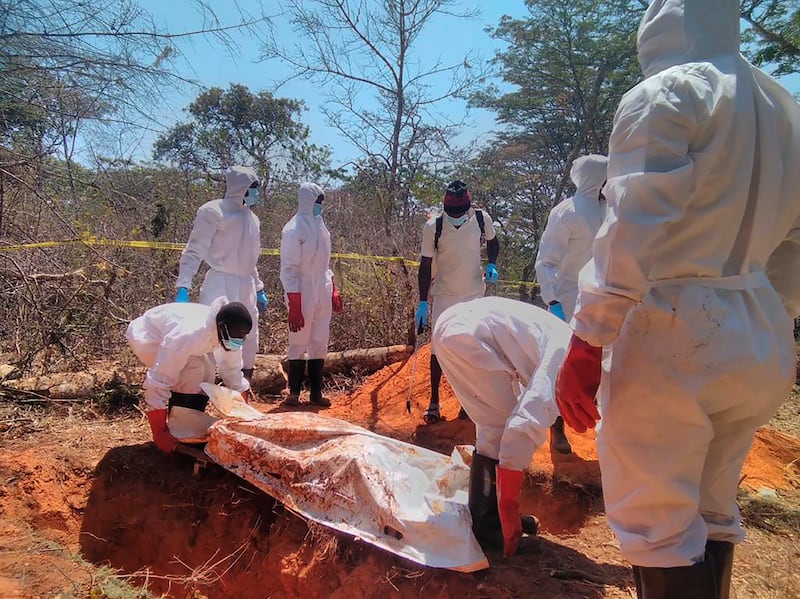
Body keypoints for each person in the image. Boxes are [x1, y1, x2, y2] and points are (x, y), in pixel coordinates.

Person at [555, 0, 800, 596]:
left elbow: (634, 225)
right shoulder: (784, 107)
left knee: (658, 525)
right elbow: (794, 246)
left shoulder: (666, 94)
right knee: (713, 509)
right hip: (759, 331)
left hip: (670, 335)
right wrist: (777, 319)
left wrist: (588, 339)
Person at [432, 296, 570, 558]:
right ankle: (490, 531)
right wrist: (509, 491)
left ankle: (488, 517)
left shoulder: (569, 345)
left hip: (456, 326)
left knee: (493, 424)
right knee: (499, 425)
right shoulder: (564, 363)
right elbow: (525, 423)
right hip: (467, 335)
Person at [534, 154, 608, 455]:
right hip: (567, 298)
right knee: (561, 364)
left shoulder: (611, 211)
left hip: (602, 299)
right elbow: (546, 261)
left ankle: (603, 430)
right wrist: (552, 299)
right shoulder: (566, 212)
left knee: (604, 364)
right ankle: (556, 429)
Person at [415, 180, 499, 424]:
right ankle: (434, 402)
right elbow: (426, 263)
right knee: (439, 347)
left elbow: (493, 242)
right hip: (445, 294)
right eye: (451, 212)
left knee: (472, 346)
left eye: (459, 212)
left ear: (467, 206)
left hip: (473, 292)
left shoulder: (482, 220)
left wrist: (492, 263)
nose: (455, 216)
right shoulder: (435, 225)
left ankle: (467, 403)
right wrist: (422, 302)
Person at [174, 165, 268, 383]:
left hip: (247, 286)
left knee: (248, 339)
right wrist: (183, 286)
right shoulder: (212, 211)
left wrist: (259, 287)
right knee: (212, 338)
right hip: (220, 284)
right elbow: (194, 250)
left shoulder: (253, 219)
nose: (255, 193)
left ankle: (240, 400)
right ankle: (200, 398)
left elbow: (248, 259)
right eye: (252, 188)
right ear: (241, 187)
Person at [126, 297, 254, 454]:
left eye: (243, 336)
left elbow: (233, 371)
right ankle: (178, 432)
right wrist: (159, 432)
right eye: (237, 335)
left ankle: (190, 428)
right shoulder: (186, 335)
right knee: (191, 372)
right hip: (149, 338)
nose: (240, 340)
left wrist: (245, 415)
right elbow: (158, 381)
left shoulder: (229, 332)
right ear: (221, 327)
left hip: (177, 338)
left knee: (207, 369)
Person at [279, 182, 343, 407]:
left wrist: (333, 289)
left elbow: (326, 263)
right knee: (298, 339)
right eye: (318, 202)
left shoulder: (321, 225)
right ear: (308, 201)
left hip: (322, 287)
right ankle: (294, 393)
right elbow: (288, 269)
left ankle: (316, 393)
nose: (320, 206)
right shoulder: (293, 229)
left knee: (319, 340)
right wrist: (295, 304)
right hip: (302, 289)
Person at [535, 154, 608, 321]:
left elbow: (546, 261)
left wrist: (551, 299)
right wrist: (553, 300)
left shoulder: (567, 211)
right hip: (579, 300)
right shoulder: (608, 211)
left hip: (572, 300)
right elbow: (547, 262)